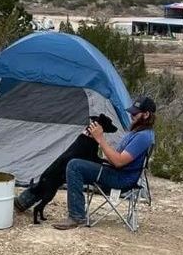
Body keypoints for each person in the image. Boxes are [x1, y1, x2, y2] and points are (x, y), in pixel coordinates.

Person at [53, 95, 156, 231]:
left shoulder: (143, 137)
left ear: (146, 114)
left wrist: (100, 138)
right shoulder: (137, 133)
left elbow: (118, 162)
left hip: (121, 179)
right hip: (117, 172)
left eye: (135, 113)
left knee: (74, 166)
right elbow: (117, 157)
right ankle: (24, 202)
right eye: (131, 112)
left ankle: (76, 216)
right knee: (78, 161)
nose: (131, 115)